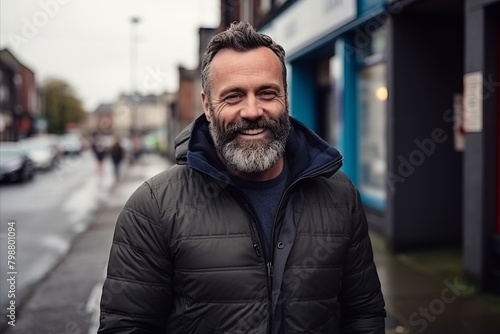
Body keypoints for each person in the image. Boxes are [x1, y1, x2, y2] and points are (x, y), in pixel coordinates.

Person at [98, 21, 386, 333]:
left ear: (285, 98)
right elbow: (126, 327)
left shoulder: (339, 195)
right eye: (233, 96)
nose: (251, 111)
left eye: (266, 92)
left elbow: (363, 313)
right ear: (208, 106)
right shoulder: (153, 207)